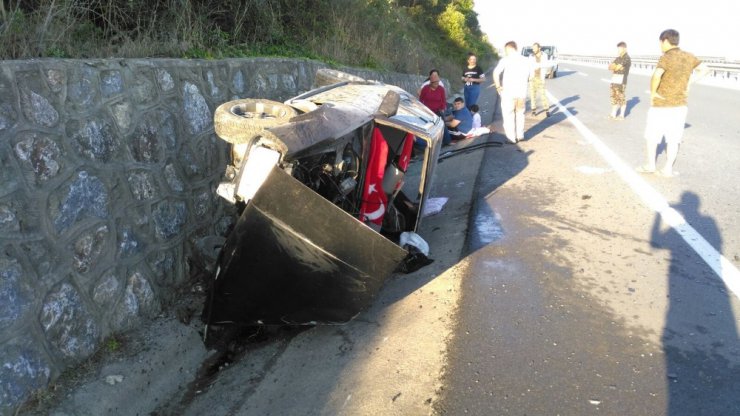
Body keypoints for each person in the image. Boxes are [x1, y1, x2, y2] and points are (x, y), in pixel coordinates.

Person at [637, 29, 708, 177]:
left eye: (660, 43)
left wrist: (653, 92)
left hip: (661, 105)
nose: (660, 46)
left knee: (652, 136)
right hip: (680, 105)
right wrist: (690, 83)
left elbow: (657, 75)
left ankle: (651, 165)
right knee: (674, 139)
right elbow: (705, 70)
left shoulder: (666, 57)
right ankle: (667, 169)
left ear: (665, 41)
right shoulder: (689, 56)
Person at [493, 41, 532, 144]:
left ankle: (511, 138)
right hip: (522, 93)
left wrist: (498, 86)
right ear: (516, 48)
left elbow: (496, 73)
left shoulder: (505, 60)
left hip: (508, 93)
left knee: (508, 115)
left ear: (508, 49)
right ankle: (520, 135)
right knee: (520, 113)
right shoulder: (526, 60)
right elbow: (530, 77)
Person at [608, 41, 632, 120]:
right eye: (618, 49)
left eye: (620, 49)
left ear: (625, 48)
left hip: (621, 81)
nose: (618, 51)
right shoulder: (618, 58)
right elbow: (610, 67)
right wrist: (615, 67)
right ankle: (613, 114)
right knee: (613, 97)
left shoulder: (627, 58)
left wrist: (616, 67)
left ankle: (622, 115)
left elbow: (617, 67)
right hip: (614, 79)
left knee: (621, 98)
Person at [529, 42, 550, 117]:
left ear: (539, 48)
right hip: (532, 78)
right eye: (533, 48)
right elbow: (529, 66)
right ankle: (533, 110)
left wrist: (546, 72)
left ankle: (547, 110)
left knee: (543, 95)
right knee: (532, 95)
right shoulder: (531, 56)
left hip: (540, 78)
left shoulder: (544, 56)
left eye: (535, 48)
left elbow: (546, 65)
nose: (533, 49)